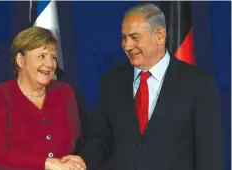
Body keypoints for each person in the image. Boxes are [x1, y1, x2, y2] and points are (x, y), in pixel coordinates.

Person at [61, 3, 225, 170]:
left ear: (159, 35)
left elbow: (210, 155)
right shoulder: (112, 81)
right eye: (124, 37)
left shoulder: (199, 84)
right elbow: (102, 139)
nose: (126, 45)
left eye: (134, 37)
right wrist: (81, 161)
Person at [0, 26, 86, 170]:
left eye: (53, 57)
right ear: (21, 60)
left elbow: (75, 142)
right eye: (41, 56)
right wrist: (46, 163)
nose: (50, 64)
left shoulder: (64, 92)